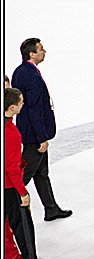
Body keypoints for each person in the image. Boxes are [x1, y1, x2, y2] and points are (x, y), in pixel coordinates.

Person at [12, 39, 71, 222]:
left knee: (41, 172)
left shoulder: (21, 71)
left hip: (28, 130)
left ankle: (51, 208)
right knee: (26, 173)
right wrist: (41, 137)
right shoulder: (31, 76)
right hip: (34, 134)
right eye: (41, 49)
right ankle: (10, 205)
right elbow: (35, 108)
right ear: (32, 54)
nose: (44, 51)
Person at [5, 87, 53, 259]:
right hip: (10, 188)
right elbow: (12, 168)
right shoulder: (11, 134)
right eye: (21, 102)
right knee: (23, 226)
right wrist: (23, 192)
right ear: (12, 107)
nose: (24, 104)